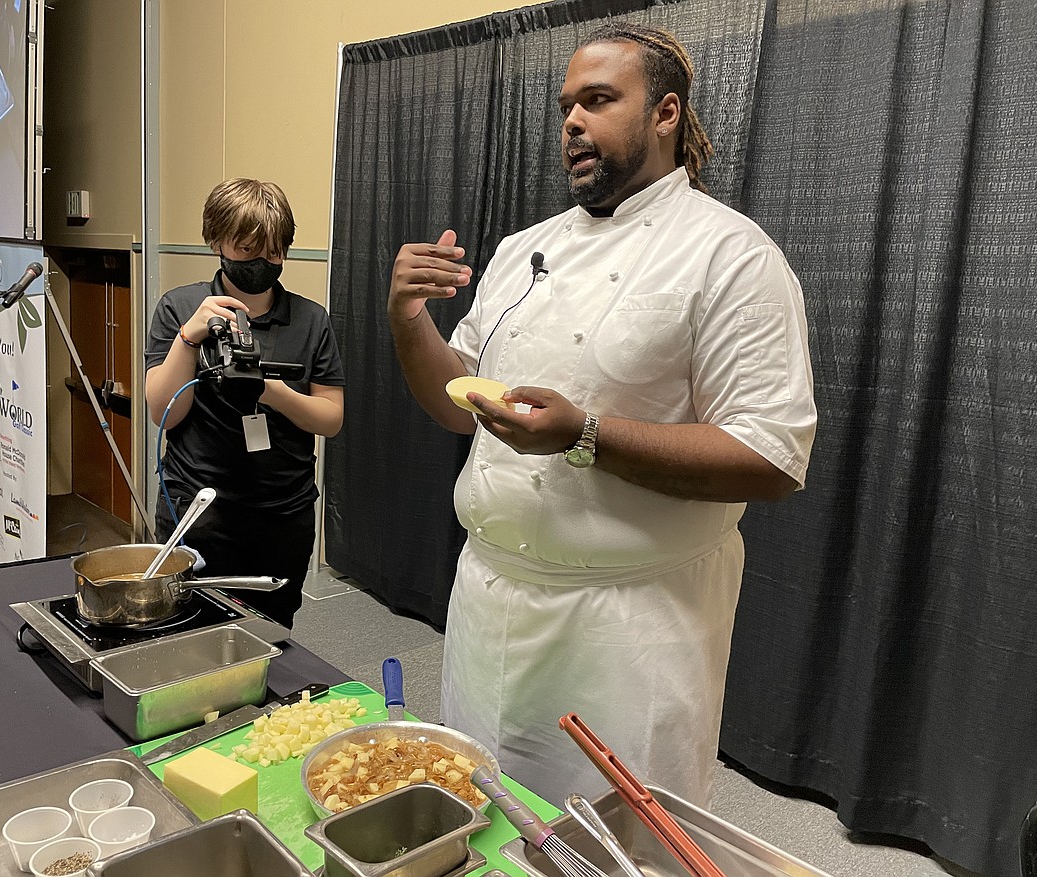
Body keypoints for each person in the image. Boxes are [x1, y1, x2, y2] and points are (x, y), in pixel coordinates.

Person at [387, 24, 817, 807]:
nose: (572, 123)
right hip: (490, 604)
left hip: (629, 630)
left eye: (598, 100)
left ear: (665, 113)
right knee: (484, 817)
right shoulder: (524, 249)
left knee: (621, 842)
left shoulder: (731, 255)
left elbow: (772, 456)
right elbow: (458, 404)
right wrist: (409, 320)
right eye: (565, 108)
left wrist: (585, 434)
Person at [146, 178, 344, 629]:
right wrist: (187, 339)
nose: (262, 262)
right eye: (247, 249)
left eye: (274, 252)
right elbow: (165, 412)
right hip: (200, 509)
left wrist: (270, 391)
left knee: (272, 633)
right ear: (216, 241)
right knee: (189, 630)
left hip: (282, 512)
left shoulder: (311, 319)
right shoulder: (180, 307)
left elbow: (330, 418)